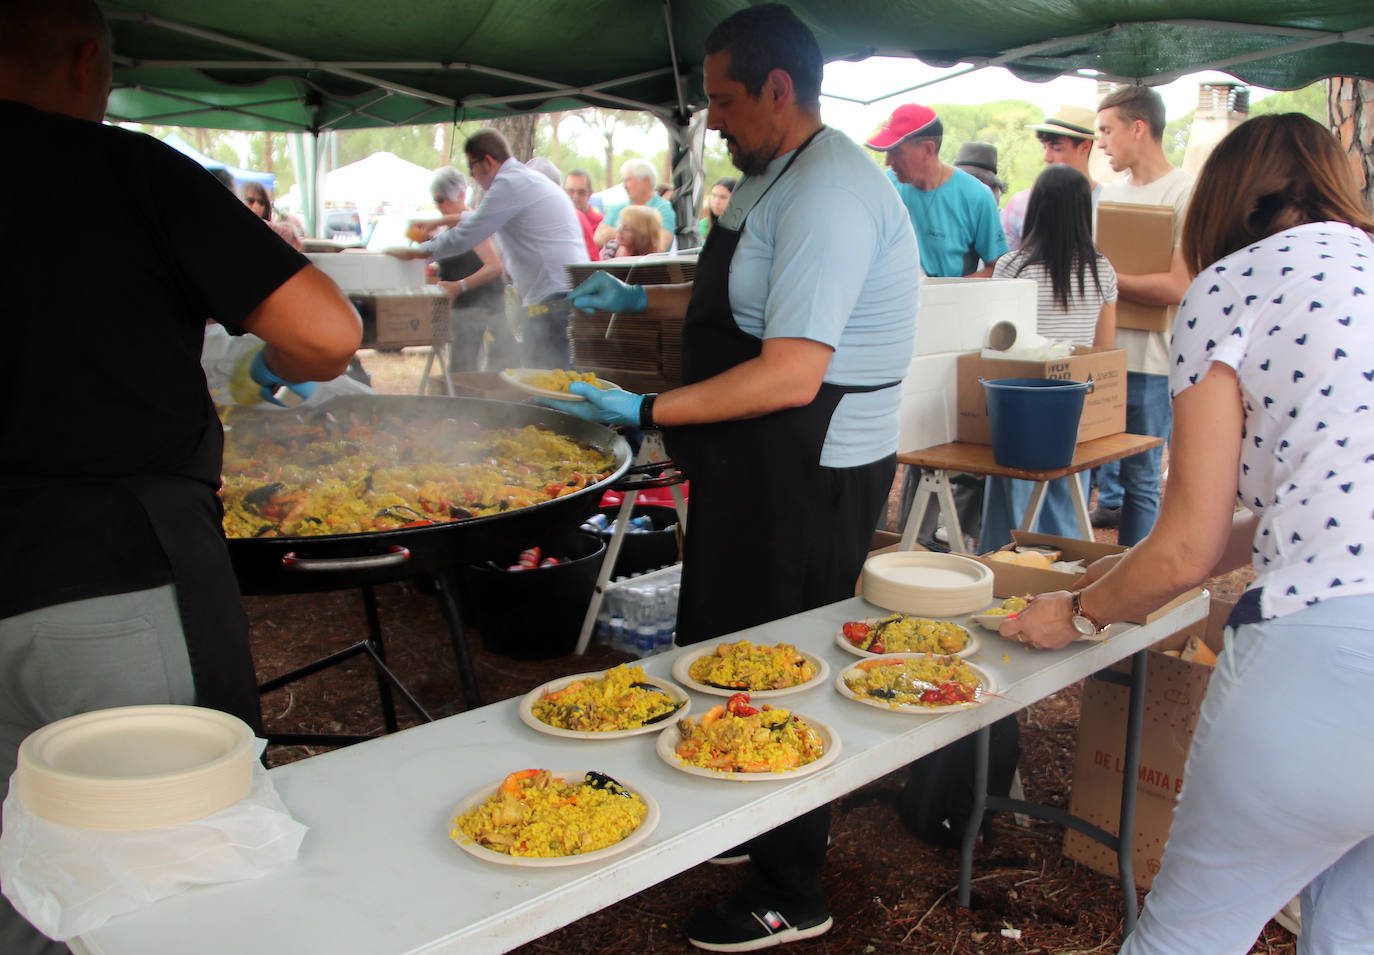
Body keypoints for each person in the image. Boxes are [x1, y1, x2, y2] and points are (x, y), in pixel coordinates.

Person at [546, 5, 918, 949]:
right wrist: (640, 296)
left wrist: (645, 413)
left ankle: (791, 884)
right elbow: (747, 297)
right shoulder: (771, 174)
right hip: (758, 456)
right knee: (721, 638)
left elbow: (792, 369)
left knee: (777, 661)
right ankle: (747, 813)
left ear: (778, 92)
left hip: (810, 464)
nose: (711, 119)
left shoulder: (830, 190)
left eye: (722, 100)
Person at [0, 3, 362, 953]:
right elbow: (328, 336)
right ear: (86, 63)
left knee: (16, 870)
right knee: (176, 870)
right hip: (107, 573)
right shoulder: (120, 167)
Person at [1002, 112, 1374, 955]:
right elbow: (1323, 503)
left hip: (1329, 657)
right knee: (1354, 932)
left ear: (1222, 202)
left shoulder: (1233, 284)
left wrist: (1082, 608)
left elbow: (1185, 548)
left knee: (1187, 936)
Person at [866, 103, 1009, 548]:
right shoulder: (889, 188)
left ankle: (933, 537)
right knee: (890, 431)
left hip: (951, 334)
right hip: (893, 325)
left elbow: (998, 265)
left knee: (940, 435)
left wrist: (951, 289)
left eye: (896, 151)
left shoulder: (975, 196)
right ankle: (886, 533)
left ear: (928, 148)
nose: (888, 161)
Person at [979, 165, 1117, 550]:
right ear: (1083, 211)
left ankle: (1004, 568)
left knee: (1011, 507)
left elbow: (996, 344)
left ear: (1036, 208)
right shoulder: (1102, 269)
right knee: (1066, 501)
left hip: (1017, 407)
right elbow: (1103, 349)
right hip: (1075, 404)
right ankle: (1060, 575)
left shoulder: (1011, 267)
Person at [388, 129, 587, 368]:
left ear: (487, 162)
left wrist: (421, 253)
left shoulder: (509, 184)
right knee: (551, 379)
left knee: (547, 382)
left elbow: (469, 234)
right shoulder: (527, 180)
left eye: (472, 167)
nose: (473, 176)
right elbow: (477, 219)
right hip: (563, 294)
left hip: (552, 299)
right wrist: (439, 222)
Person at [1090, 86, 1194, 543]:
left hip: (1152, 364)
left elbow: (1178, 285)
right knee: (1079, 472)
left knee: (1141, 481)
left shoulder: (1185, 190)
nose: (1101, 142)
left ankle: (1133, 586)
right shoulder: (1108, 194)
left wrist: (1110, 278)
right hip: (1100, 358)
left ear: (1139, 128)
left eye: (1107, 130)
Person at [427, 166, 515, 372]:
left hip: (481, 309)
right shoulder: (451, 227)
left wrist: (459, 286)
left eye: (444, 199)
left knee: (469, 373)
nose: (442, 205)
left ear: (461, 194)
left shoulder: (471, 225)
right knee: (462, 370)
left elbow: (494, 267)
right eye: (437, 200)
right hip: (464, 311)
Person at [1002, 104, 1101, 251]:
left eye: (1056, 148)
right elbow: (1003, 265)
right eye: (1044, 147)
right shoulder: (1021, 204)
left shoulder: (1106, 205)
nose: (1046, 157)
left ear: (1085, 147)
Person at [593, 157, 677, 252]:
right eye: (623, 181)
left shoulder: (664, 209)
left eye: (628, 180)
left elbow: (659, 245)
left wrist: (616, 235)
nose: (624, 185)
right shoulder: (617, 208)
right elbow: (597, 238)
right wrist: (637, 235)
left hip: (648, 266)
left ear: (646, 180)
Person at [564, 167, 603, 260]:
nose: (575, 196)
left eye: (581, 192)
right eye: (570, 191)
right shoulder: (557, 224)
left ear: (590, 194)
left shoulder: (602, 224)